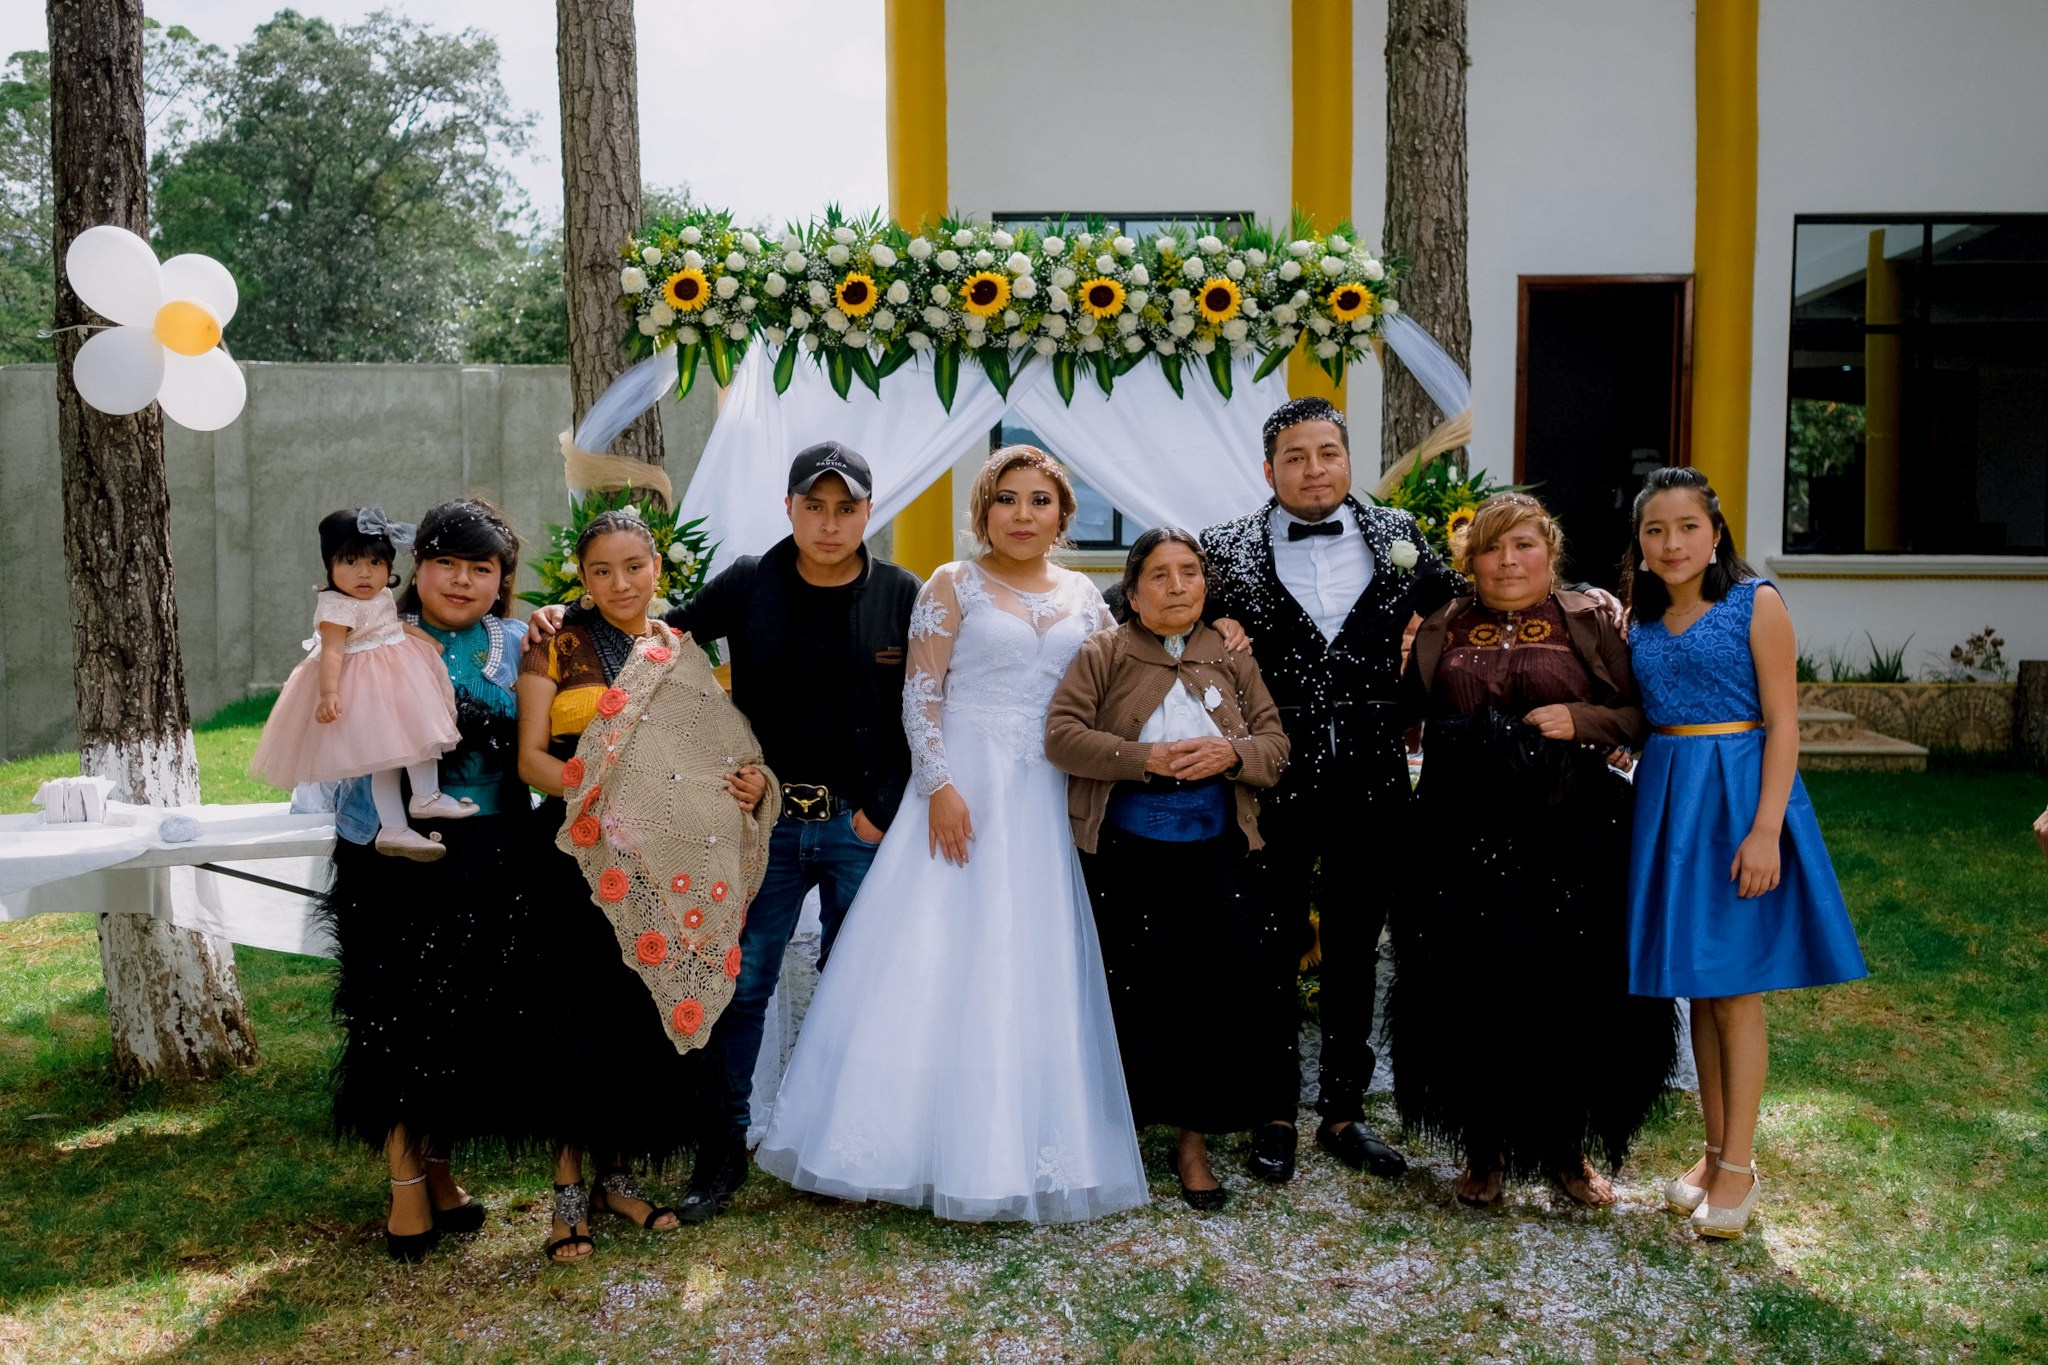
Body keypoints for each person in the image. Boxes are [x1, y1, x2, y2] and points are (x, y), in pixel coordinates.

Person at [528, 442, 920, 1224]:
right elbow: (651, 637)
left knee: (865, 983)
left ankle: (862, 1142)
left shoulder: (904, 595)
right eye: (815, 506)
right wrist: (563, 617)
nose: (830, 523)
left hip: (861, 823)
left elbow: (929, 704)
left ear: (869, 512)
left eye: (847, 508)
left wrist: (882, 805)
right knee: (740, 987)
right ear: (790, 508)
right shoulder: (750, 582)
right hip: (763, 825)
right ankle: (722, 1147)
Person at [755, 446, 1148, 1223]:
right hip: (963, 785)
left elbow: (1125, 676)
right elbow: (921, 693)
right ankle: (902, 1139)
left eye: (1041, 500)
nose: (1024, 514)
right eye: (1008, 499)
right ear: (983, 511)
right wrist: (938, 786)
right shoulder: (952, 583)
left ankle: (1018, 1143)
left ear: (1064, 515)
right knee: (938, 953)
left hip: (1043, 795)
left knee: (1026, 959)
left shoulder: (1087, 598)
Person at [1199, 397, 1464, 1184]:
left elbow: (1468, 605)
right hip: (1268, 779)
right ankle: (1273, 1109)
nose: (1313, 469)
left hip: (1373, 777)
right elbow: (1156, 614)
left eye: (1327, 453)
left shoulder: (1400, 536)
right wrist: (1215, 636)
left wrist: (1584, 609)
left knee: (1354, 949)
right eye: (1295, 456)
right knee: (1267, 946)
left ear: (1347, 458)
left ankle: (1344, 1111)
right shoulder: (1224, 550)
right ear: (1268, 467)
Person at [1390, 493, 1676, 1207]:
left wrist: (1578, 717)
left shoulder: (1593, 617)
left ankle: (1566, 1153)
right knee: (1470, 1000)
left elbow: (1643, 712)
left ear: (1550, 551)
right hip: (1461, 847)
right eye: (1491, 547)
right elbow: (1407, 714)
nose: (1508, 560)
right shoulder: (1441, 626)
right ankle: (1481, 1150)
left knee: (1572, 1000)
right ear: (1470, 559)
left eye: (1524, 545)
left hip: (1571, 843)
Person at [516, 509, 773, 1263]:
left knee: (635, 1017)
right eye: (602, 570)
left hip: (660, 869)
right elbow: (532, 757)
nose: (620, 583)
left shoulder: (682, 653)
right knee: (575, 1021)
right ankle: (566, 1194)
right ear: (582, 578)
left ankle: (618, 1178)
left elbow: (713, 754)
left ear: (657, 566)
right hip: (579, 856)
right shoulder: (555, 643)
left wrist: (752, 782)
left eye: (634, 566)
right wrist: (600, 802)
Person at [1624, 467, 1867, 1240]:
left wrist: (1766, 829)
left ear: (1715, 532)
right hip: (1669, 799)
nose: (1672, 542)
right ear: (1640, 541)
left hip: (1736, 799)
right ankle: (1712, 1150)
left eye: (1687, 526)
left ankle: (1740, 1164)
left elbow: (1785, 724)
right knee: (1696, 983)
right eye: (1655, 529)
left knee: (1734, 988)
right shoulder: (1640, 619)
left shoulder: (1756, 603)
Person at [316, 498, 537, 1261]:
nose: (463, 580)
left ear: (503, 578)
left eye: (483, 568)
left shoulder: (519, 641)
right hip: (391, 860)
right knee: (399, 1016)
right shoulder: (380, 633)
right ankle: (406, 1184)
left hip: (492, 861)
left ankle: (442, 1170)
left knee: (467, 1019)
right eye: (447, 562)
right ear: (419, 567)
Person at [1045, 528, 1293, 1210]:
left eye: (1190, 572)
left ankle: (1193, 1141)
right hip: (1128, 860)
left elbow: (1275, 742)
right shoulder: (1104, 652)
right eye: (1160, 573)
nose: (1178, 585)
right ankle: (1115, 1131)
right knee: (1131, 992)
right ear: (1132, 590)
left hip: (1217, 855)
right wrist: (1143, 758)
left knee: (1209, 995)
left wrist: (1231, 755)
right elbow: (1062, 736)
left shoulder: (1232, 656)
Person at [250, 508, 477, 859]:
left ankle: (425, 796)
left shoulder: (380, 597)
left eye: (374, 563)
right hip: (364, 688)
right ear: (330, 567)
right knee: (385, 761)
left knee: (419, 737)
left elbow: (393, 627)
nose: (364, 573)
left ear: (389, 568)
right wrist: (328, 693)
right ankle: (394, 828)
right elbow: (332, 654)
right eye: (351, 562)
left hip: (397, 677)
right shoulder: (335, 607)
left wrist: (422, 638)